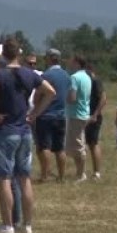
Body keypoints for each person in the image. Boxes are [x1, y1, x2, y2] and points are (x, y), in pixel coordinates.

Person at [0, 37, 55, 233]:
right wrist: (36, 113)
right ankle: (27, 225)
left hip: (6, 131)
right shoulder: (30, 74)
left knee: (4, 179)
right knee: (25, 178)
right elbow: (50, 92)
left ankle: (8, 225)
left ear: (3, 54)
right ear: (19, 54)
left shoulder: (0, 75)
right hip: (25, 131)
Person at [33, 48, 71, 183]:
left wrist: (35, 107)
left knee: (45, 147)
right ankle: (61, 176)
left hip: (46, 115)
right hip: (61, 116)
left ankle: (45, 175)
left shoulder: (46, 76)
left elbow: (37, 95)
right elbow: (71, 97)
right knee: (60, 148)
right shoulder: (67, 76)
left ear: (49, 58)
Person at [66, 55, 92, 183]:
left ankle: (82, 174)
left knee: (78, 145)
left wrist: (64, 98)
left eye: (72, 61)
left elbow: (72, 97)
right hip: (84, 112)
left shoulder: (74, 77)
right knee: (78, 143)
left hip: (76, 113)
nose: (70, 63)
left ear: (77, 63)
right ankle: (79, 172)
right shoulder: (87, 77)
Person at [84, 64, 107, 180]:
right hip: (84, 115)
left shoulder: (96, 81)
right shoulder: (87, 82)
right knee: (84, 144)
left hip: (93, 116)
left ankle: (97, 172)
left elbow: (103, 98)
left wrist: (95, 115)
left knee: (93, 143)